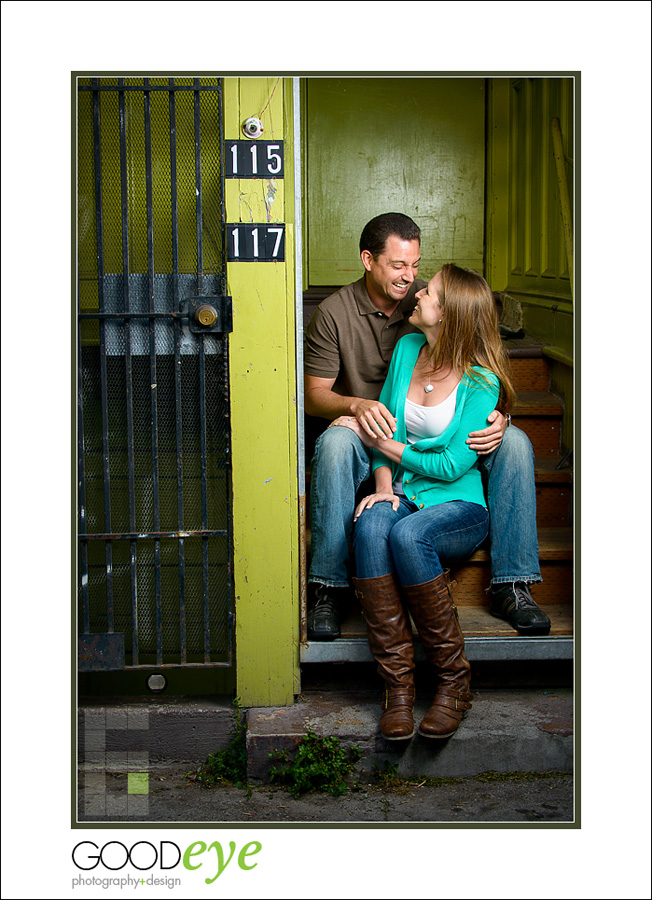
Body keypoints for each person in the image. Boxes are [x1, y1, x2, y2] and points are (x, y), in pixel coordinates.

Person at [304, 213, 549, 640]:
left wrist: (501, 414)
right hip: (373, 429)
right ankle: (329, 586)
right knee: (336, 444)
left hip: (429, 442)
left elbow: (480, 363)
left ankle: (512, 583)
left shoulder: (428, 301)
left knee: (515, 442)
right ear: (368, 260)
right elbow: (313, 396)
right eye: (399, 265)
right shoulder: (335, 314)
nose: (411, 278)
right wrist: (360, 409)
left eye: (416, 265)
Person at [334, 264, 513, 739]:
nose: (417, 293)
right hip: (405, 492)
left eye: (428, 291)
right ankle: (398, 689)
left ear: (448, 314)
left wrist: (391, 449)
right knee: (373, 525)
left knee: (409, 535)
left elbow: (452, 466)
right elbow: (386, 423)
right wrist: (384, 486)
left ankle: (453, 682)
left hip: (459, 507)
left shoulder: (481, 383)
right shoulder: (410, 348)